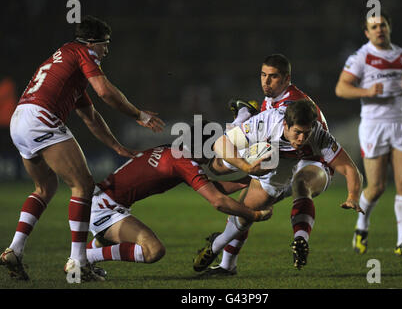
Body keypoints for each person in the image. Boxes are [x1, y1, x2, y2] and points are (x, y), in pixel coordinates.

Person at [0, 15, 165, 283]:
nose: (106, 50)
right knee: (84, 186)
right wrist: (139, 115)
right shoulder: (82, 52)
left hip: (20, 119)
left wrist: (116, 146)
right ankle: (78, 261)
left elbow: (91, 118)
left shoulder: (67, 65)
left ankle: (15, 250)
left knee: (44, 188)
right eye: (105, 44)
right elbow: (105, 91)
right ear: (92, 43)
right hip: (41, 118)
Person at [193, 99, 364, 276]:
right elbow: (220, 143)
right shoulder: (267, 122)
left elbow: (350, 169)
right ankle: (242, 117)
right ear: (285, 124)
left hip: (282, 167)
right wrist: (246, 167)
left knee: (246, 212)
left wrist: (352, 196)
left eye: (306, 133)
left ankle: (216, 246)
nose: (301, 138)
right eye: (297, 132)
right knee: (217, 168)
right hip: (259, 149)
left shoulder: (319, 136)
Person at [83, 123, 272, 277]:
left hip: (102, 200)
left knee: (106, 241)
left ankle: (81, 264)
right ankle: (82, 259)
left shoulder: (174, 152)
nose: (218, 153)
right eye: (217, 148)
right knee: (153, 251)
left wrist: (247, 180)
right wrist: (254, 214)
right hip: (105, 208)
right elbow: (218, 201)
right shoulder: (185, 163)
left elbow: (212, 189)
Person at [205, 54, 331, 273]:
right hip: (284, 159)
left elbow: (284, 137)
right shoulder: (271, 100)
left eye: (273, 77)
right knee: (242, 203)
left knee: (227, 169)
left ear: (286, 78)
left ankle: (221, 251)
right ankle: (226, 263)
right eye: (263, 75)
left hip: (307, 160)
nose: (266, 81)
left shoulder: (290, 104)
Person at [335, 12, 402, 256]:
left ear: (389, 27)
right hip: (374, 125)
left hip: (401, 124)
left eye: (382, 25)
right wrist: (366, 91)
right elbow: (341, 88)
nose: (379, 30)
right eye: (373, 27)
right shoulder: (361, 57)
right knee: (377, 187)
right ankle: (361, 226)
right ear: (367, 32)